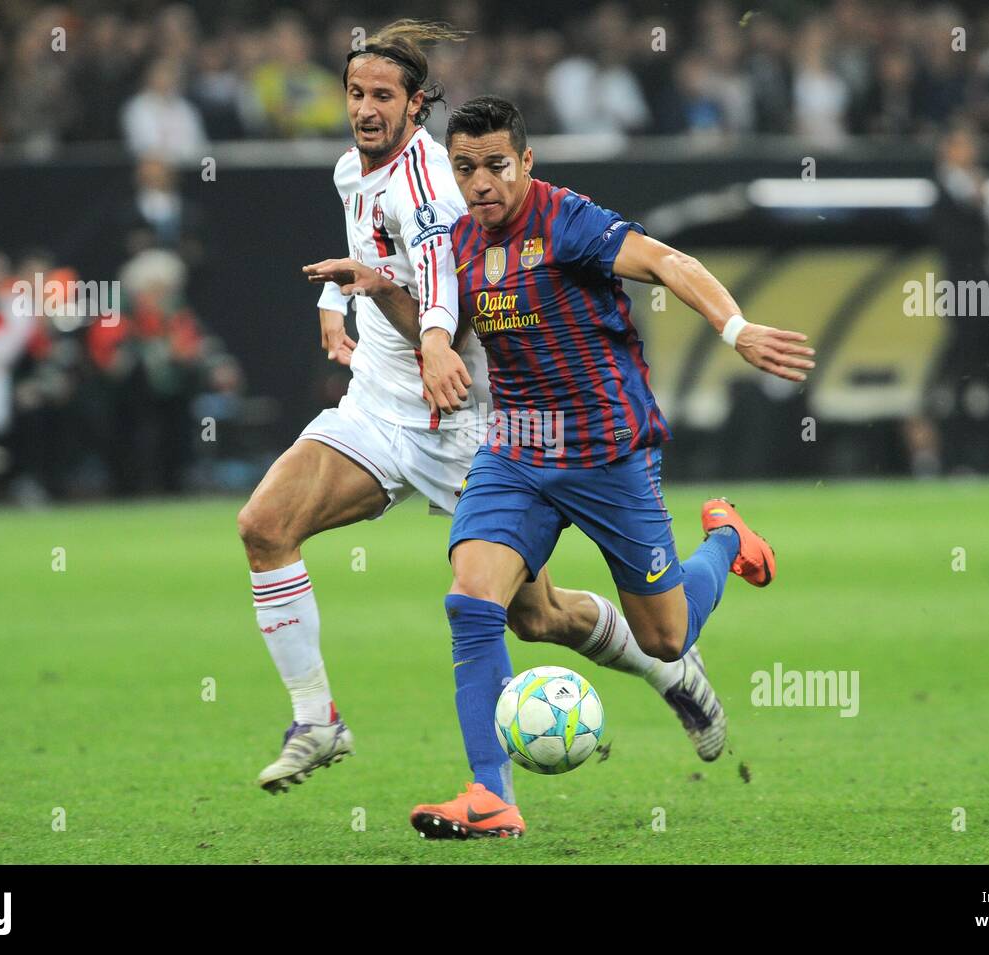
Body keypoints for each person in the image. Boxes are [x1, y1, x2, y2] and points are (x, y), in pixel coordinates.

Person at [241, 21, 729, 796]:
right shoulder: (350, 170)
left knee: (536, 619)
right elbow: (378, 255)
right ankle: (321, 720)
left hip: (465, 416)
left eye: (382, 98)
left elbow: (441, 291)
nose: (366, 110)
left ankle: (665, 663)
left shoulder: (440, 183)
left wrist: (433, 343)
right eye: (356, 94)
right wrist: (339, 294)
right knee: (264, 525)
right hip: (378, 405)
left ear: (416, 107)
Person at [408, 96, 815, 838]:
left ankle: (726, 539)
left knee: (665, 635)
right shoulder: (459, 242)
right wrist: (411, 326)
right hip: (516, 450)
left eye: (496, 166)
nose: (481, 184)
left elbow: (666, 261)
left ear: (526, 162)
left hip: (606, 449)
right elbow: (440, 320)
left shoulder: (566, 219)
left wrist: (737, 327)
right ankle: (490, 795)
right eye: (465, 168)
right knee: (480, 605)